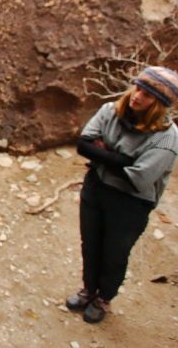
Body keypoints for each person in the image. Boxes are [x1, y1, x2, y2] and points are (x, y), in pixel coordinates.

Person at [66, 66, 178, 323]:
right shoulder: (110, 111)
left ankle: (104, 298)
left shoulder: (167, 139)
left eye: (147, 95)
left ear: (158, 105)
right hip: (96, 188)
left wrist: (103, 154)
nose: (138, 96)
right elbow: (84, 145)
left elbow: (138, 178)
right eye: (138, 88)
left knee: (115, 252)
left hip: (131, 203)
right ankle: (88, 290)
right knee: (90, 243)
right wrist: (124, 159)